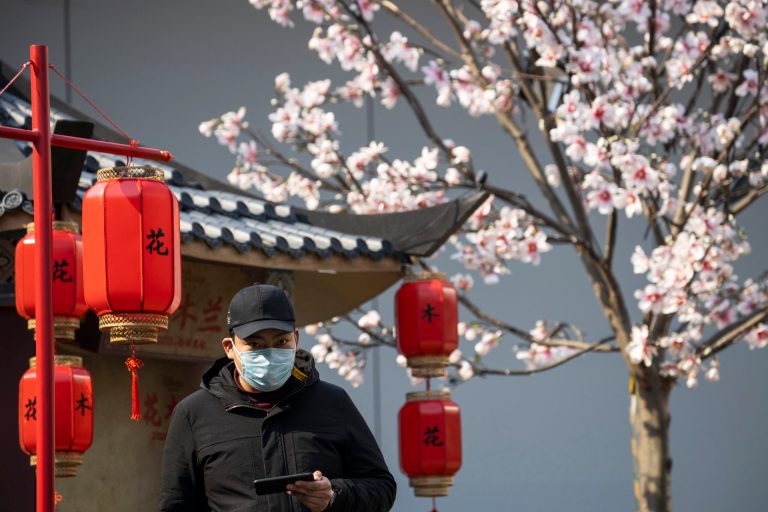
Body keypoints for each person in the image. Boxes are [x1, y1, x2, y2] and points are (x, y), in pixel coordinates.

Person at [159, 284, 396, 511]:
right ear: (229, 348)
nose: (269, 354)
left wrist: (333, 495)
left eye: (281, 342)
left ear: (296, 340)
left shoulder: (333, 403)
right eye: (255, 344)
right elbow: (177, 504)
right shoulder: (194, 414)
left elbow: (382, 487)